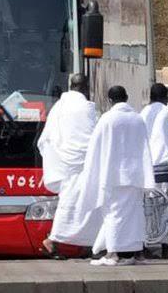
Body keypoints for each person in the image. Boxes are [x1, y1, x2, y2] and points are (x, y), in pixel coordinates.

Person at [76, 86, 154, 266]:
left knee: (112, 214)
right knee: (134, 214)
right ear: (126, 97)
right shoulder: (137, 119)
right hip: (135, 175)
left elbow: (96, 147)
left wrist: (93, 171)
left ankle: (112, 253)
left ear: (110, 100)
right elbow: (144, 147)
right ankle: (135, 252)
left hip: (113, 175)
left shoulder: (107, 119)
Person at [37, 73, 99, 258]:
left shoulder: (59, 105)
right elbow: (90, 137)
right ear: (86, 87)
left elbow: (49, 136)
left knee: (76, 203)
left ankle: (90, 244)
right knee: (78, 204)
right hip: (78, 165)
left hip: (64, 162)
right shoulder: (84, 107)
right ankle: (52, 241)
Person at [140, 83, 168, 259]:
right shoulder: (165, 111)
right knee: (164, 206)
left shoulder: (143, 112)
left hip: (147, 165)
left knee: (147, 206)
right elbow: (167, 137)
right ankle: (165, 245)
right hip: (164, 163)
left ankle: (144, 243)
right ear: (165, 97)